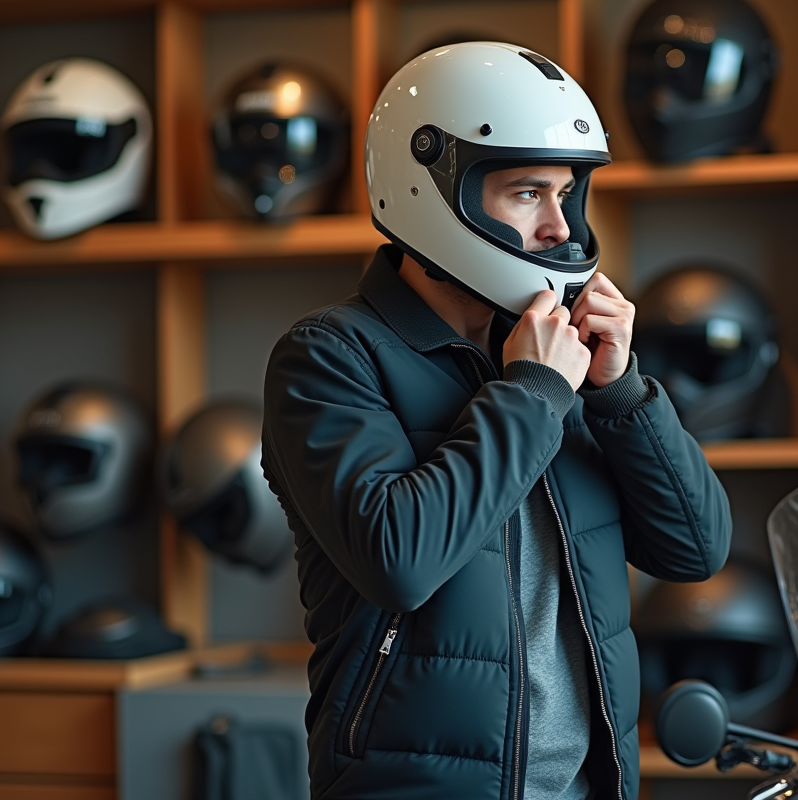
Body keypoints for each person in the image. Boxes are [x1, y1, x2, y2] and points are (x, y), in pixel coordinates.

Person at [261, 42, 731, 800]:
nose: (559, 229)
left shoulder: (564, 359)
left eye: (568, 194)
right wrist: (534, 391)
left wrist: (620, 394)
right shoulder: (329, 357)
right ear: (433, 191)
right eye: (526, 193)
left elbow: (695, 548)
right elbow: (398, 558)